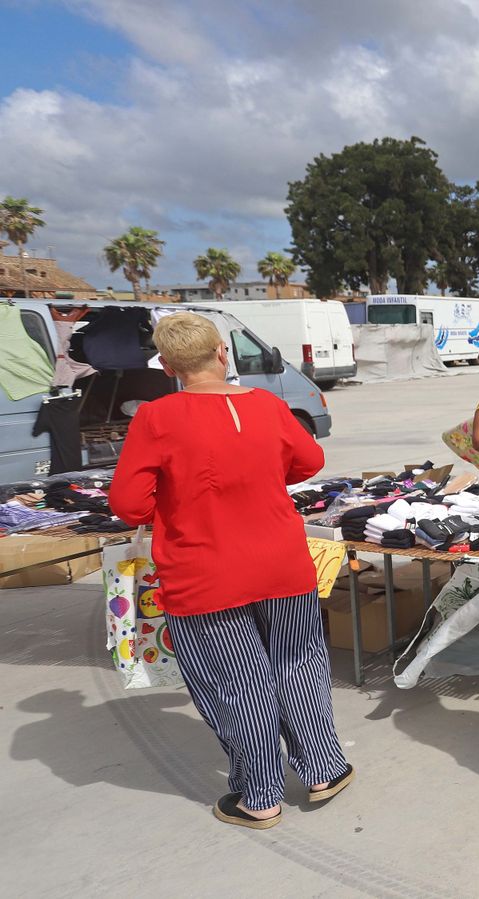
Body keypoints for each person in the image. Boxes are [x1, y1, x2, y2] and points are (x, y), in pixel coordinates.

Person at [107, 313, 352, 830]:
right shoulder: (266, 403)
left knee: (239, 683)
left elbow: (129, 503)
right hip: (281, 560)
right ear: (223, 353)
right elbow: (309, 460)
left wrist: (181, 502)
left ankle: (260, 794)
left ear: (170, 366)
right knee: (299, 664)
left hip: (205, 570)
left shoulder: (157, 416)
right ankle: (323, 766)